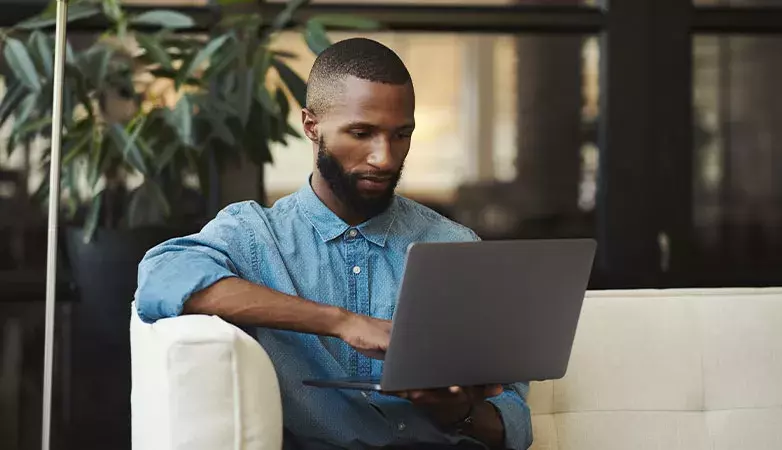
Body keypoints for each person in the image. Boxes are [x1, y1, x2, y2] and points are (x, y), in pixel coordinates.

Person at [135, 37, 533, 450]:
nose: (385, 158)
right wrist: (341, 322)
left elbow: (514, 426)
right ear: (311, 126)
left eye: (401, 135)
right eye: (362, 133)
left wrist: (454, 411)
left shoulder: (455, 246)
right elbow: (162, 278)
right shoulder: (255, 235)